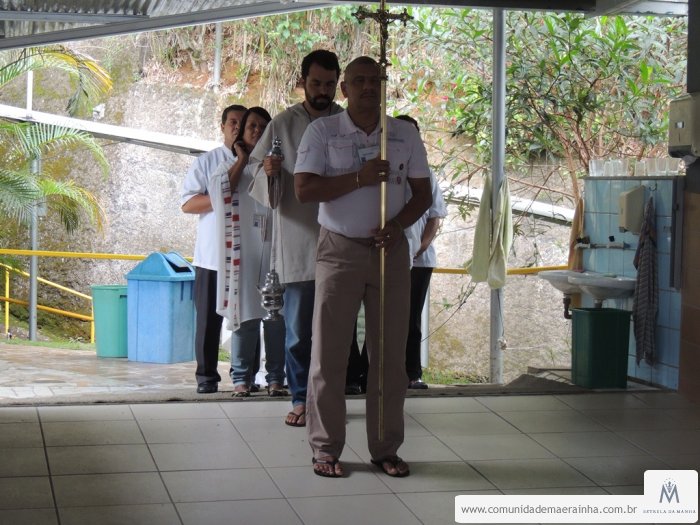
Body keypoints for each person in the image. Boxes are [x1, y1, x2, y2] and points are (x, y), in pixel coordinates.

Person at [294, 56, 432, 478]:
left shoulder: (404, 134)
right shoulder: (323, 131)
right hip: (339, 249)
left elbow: (422, 194)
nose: (369, 87)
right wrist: (360, 177)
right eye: (359, 81)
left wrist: (399, 226)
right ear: (345, 89)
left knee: (389, 356)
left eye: (376, 80)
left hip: (390, 251)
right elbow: (304, 189)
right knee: (329, 354)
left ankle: (386, 448)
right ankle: (325, 448)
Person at [248, 49, 343, 426]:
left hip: (343, 240)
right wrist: (270, 170)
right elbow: (259, 179)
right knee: (299, 332)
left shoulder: (348, 123)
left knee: (335, 333)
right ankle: (301, 398)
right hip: (299, 242)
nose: (323, 91)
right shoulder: (283, 124)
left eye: (330, 84)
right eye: (316, 83)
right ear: (302, 81)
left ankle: (330, 400)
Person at [209, 107, 287, 398]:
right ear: (241, 131)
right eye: (252, 125)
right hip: (244, 252)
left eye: (263, 127)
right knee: (245, 314)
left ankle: (276, 378)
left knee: (277, 316)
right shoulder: (227, 166)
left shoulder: (277, 164)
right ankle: (242, 378)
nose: (257, 131)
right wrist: (242, 159)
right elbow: (220, 194)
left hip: (275, 250)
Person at [181, 104, 246, 394]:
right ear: (222, 126)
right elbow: (188, 204)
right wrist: (218, 197)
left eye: (243, 123)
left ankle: (244, 376)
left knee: (247, 319)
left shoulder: (257, 163)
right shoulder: (207, 162)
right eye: (232, 122)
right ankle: (206, 377)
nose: (237, 127)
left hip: (246, 254)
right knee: (208, 321)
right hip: (211, 257)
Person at [396, 115, 448, 390]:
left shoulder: (427, 173)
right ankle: (372, 374)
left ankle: (412, 373)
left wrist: (420, 247)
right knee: (381, 318)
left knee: (411, 317)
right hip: (388, 256)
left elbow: (434, 216)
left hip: (419, 260)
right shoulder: (384, 170)